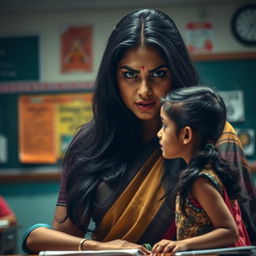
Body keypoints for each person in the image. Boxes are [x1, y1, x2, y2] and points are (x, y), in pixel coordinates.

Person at [22, 8, 256, 253]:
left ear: (176, 73)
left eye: (158, 74)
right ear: (113, 78)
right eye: (130, 75)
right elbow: (63, 242)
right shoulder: (89, 143)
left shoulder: (213, 136)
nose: (144, 90)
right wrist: (101, 247)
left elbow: (243, 233)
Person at [152, 86, 250, 255]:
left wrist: (183, 245)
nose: (159, 134)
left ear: (186, 135)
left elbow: (229, 231)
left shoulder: (200, 181)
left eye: (165, 125)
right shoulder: (200, 173)